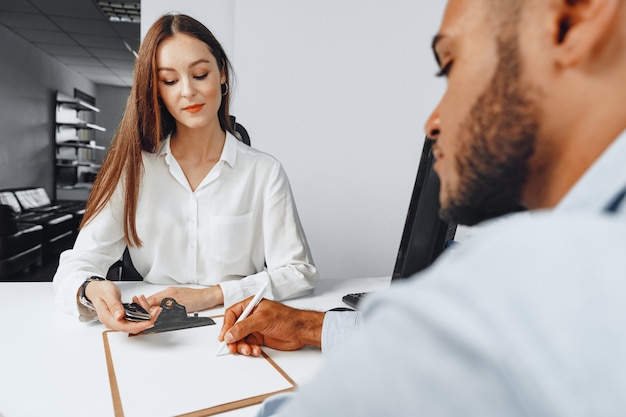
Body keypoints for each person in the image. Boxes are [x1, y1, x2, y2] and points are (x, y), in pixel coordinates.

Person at [217, 0, 626, 415]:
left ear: (569, 23)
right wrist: (309, 326)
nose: (432, 122)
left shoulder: (535, 270)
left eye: (450, 66)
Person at [52, 13, 318, 333]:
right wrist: (91, 287)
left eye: (200, 74)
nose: (187, 91)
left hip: (236, 324)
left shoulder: (263, 172)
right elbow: (76, 264)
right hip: (150, 327)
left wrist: (211, 295)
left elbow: (299, 272)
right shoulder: (134, 170)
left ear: (221, 73)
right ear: (157, 90)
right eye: (170, 80)